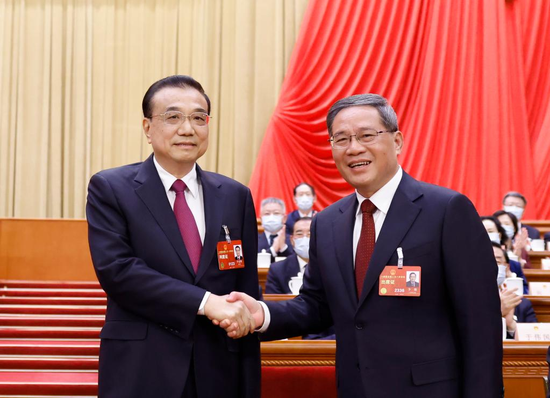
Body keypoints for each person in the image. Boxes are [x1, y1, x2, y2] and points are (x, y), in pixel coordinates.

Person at [227, 94, 503, 397]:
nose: (354, 148)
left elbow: (480, 324)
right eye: (341, 139)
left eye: (367, 135)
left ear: (396, 141)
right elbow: (316, 306)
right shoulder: (327, 222)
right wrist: (263, 315)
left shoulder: (447, 210)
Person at [86, 75, 260, 398]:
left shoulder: (236, 196)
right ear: (147, 128)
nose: (187, 129)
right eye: (173, 117)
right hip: (142, 369)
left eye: (198, 118)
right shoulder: (111, 189)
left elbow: (245, 290)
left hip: (219, 369)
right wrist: (205, 303)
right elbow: (118, 271)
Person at [265, 217, 335, 339]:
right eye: (299, 234)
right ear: (292, 240)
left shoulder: (334, 267)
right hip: (290, 337)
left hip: (329, 339)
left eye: (310, 233)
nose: (305, 238)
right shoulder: (277, 270)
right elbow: (275, 306)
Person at [493, 242, 537, 339]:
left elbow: (534, 343)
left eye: (497, 262)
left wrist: (511, 325)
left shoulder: (522, 304)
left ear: (507, 267)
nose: (492, 266)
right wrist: (496, 315)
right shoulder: (466, 302)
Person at [482, 216, 528, 294]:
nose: (486, 235)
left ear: (499, 235)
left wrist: (511, 277)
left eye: (490, 231)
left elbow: (524, 294)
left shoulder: (513, 265)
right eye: (483, 232)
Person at [258, 197, 294, 262]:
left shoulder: (293, 239)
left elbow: (298, 263)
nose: (271, 217)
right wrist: (273, 250)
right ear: (261, 219)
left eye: (276, 213)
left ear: (284, 218)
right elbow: (251, 262)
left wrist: (283, 248)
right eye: (267, 213)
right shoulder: (253, 240)